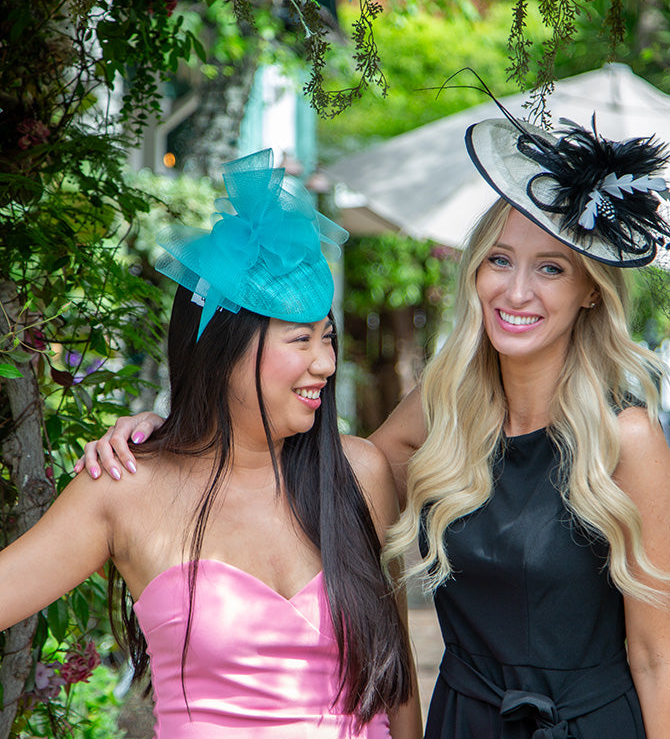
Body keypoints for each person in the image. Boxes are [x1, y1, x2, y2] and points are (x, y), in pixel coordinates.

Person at [79, 116, 670, 738]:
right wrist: (173, 435)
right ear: (474, 271)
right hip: (465, 723)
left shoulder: (626, 438)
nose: (516, 291)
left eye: (550, 268)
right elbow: (302, 475)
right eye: (499, 260)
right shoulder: (442, 410)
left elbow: (658, 657)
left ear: (591, 292)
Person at [0, 149, 421, 739]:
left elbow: (398, 687)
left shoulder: (359, 471)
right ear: (221, 349)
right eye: (299, 339)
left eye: (327, 338)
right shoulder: (125, 488)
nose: (324, 363)